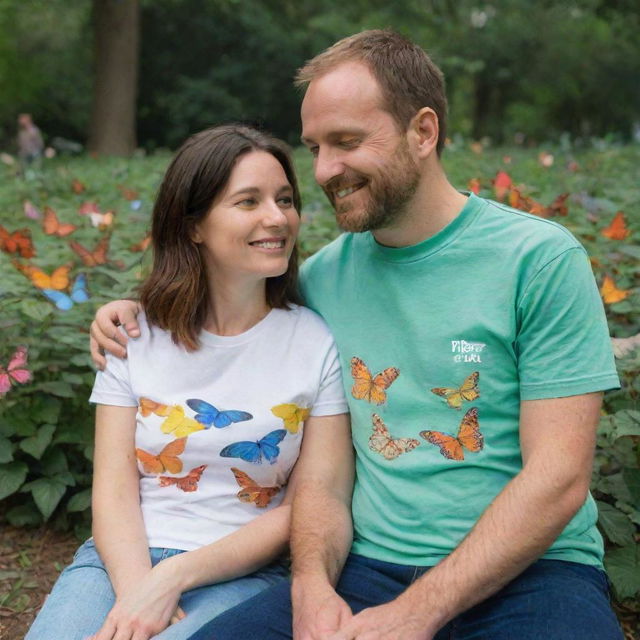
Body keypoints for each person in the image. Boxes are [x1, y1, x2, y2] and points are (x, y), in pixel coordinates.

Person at [90, 30, 623, 640]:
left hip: (535, 572)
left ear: (423, 132)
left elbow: (557, 479)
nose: (323, 171)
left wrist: (417, 614)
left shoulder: (539, 261)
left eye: (346, 142)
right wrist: (311, 584)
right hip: (368, 567)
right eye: (315, 146)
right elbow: (320, 472)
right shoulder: (324, 279)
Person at [25, 124, 350, 640]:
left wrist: (174, 576)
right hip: (119, 561)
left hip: (242, 573)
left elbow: (308, 504)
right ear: (194, 225)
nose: (277, 217)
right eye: (248, 201)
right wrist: (138, 590)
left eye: (285, 199)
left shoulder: (314, 342)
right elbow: (113, 492)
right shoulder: (132, 335)